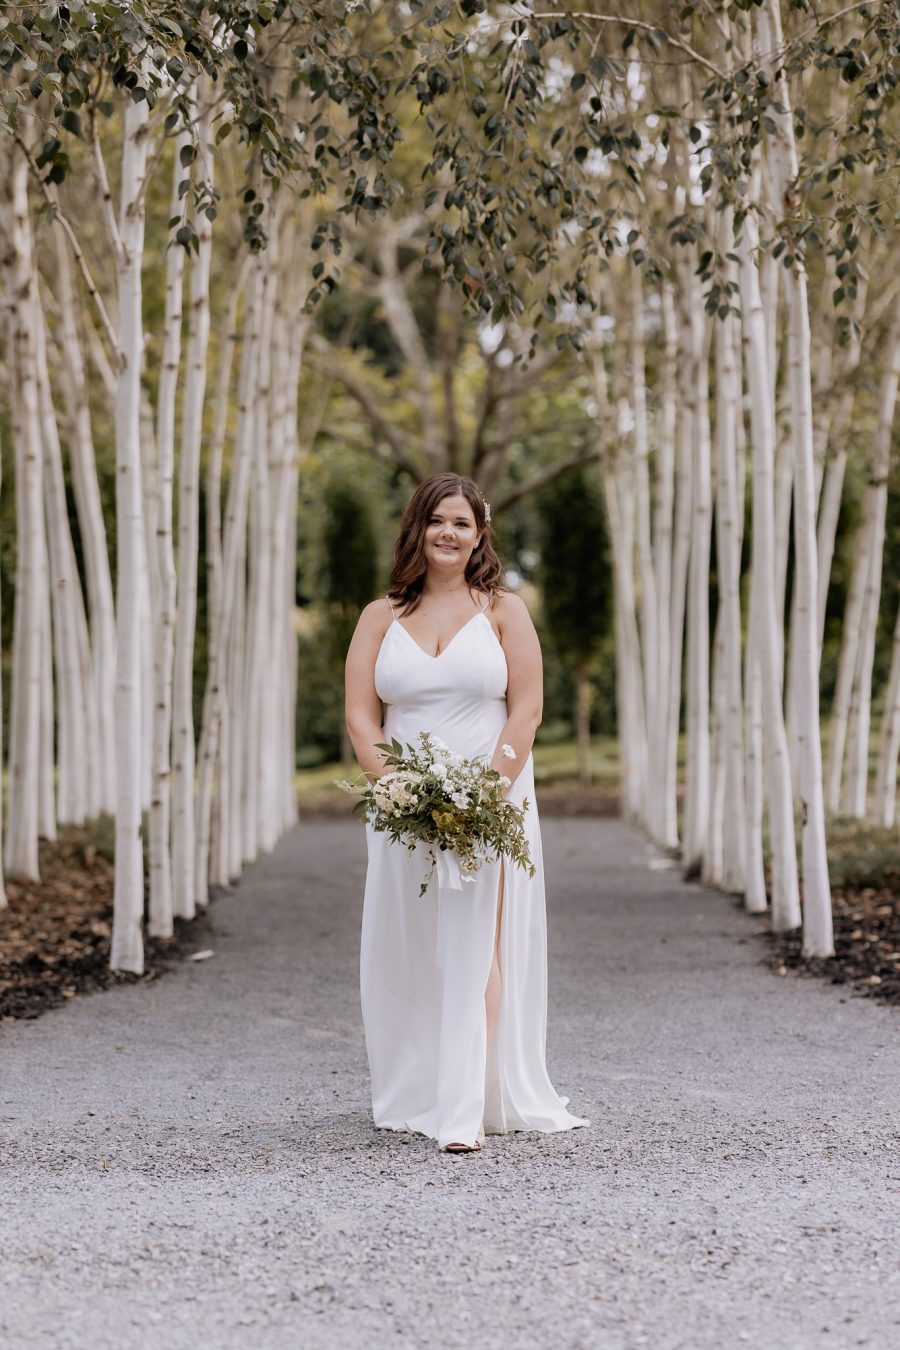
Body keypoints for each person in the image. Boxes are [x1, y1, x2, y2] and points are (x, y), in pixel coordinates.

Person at [344, 473, 588, 1153]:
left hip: (491, 799)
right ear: (417, 528)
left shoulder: (504, 610)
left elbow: (528, 706)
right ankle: (418, 1087)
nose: (449, 534)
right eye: (437, 521)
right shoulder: (379, 617)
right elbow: (363, 715)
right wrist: (394, 788)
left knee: (476, 944)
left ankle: (466, 1105)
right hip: (404, 807)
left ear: (480, 534)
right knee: (415, 944)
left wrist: (488, 788)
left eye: (463, 523)